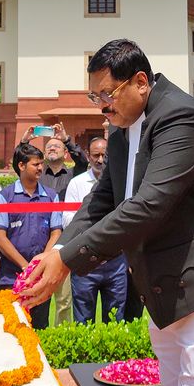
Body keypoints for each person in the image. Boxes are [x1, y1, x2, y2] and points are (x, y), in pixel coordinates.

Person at [20, 39, 194, 386]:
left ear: (140, 82)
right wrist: (58, 248)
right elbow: (101, 200)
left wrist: (67, 261)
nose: (103, 107)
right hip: (167, 291)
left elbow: (148, 205)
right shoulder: (121, 126)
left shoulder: (181, 117)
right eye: (95, 98)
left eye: (108, 95)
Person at [0, 143, 63, 329]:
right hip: (11, 278)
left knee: (39, 329)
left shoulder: (51, 196)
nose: (40, 168)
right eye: (35, 164)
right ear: (21, 166)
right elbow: (0, 237)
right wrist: (26, 266)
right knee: (11, 328)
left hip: (41, 279)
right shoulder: (5, 197)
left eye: (41, 164)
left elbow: (56, 232)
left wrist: (41, 263)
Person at [64, 137, 127, 324]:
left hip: (115, 261)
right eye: (95, 155)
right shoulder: (77, 183)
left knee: (115, 321)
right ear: (88, 156)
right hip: (84, 260)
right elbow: (68, 220)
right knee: (83, 322)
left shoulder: (121, 182)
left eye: (104, 155)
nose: (100, 160)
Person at [27, 126, 85, 325]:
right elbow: (21, 163)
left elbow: (84, 161)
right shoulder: (38, 176)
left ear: (65, 153)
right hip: (40, 240)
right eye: (49, 146)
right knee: (35, 298)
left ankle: (61, 337)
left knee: (63, 300)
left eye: (56, 146)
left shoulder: (73, 176)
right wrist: (26, 142)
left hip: (65, 241)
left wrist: (66, 138)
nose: (52, 148)